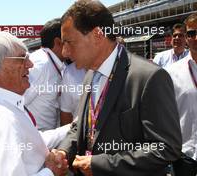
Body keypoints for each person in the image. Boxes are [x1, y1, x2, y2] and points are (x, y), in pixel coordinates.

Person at [51, 1, 182, 175]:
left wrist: (101, 165)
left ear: (97, 35)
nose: (65, 52)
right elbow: (82, 127)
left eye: (69, 42)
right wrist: (64, 152)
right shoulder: (89, 75)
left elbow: (166, 147)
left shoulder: (149, 77)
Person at [0, 32, 69, 175]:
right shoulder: (3, 117)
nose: (30, 64)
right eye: (22, 58)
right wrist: (51, 171)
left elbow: (30, 143)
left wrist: (72, 127)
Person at [166, 13, 197, 176]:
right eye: (192, 34)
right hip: (185, 153)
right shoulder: (172, 72)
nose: (196, 38)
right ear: (186, 38)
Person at [24, 18, 67, 130]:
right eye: (70, 40)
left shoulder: (53, 63)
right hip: (36, 140)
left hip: (46, 139)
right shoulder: (41, 64)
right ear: (58, 42)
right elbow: (20, 102)